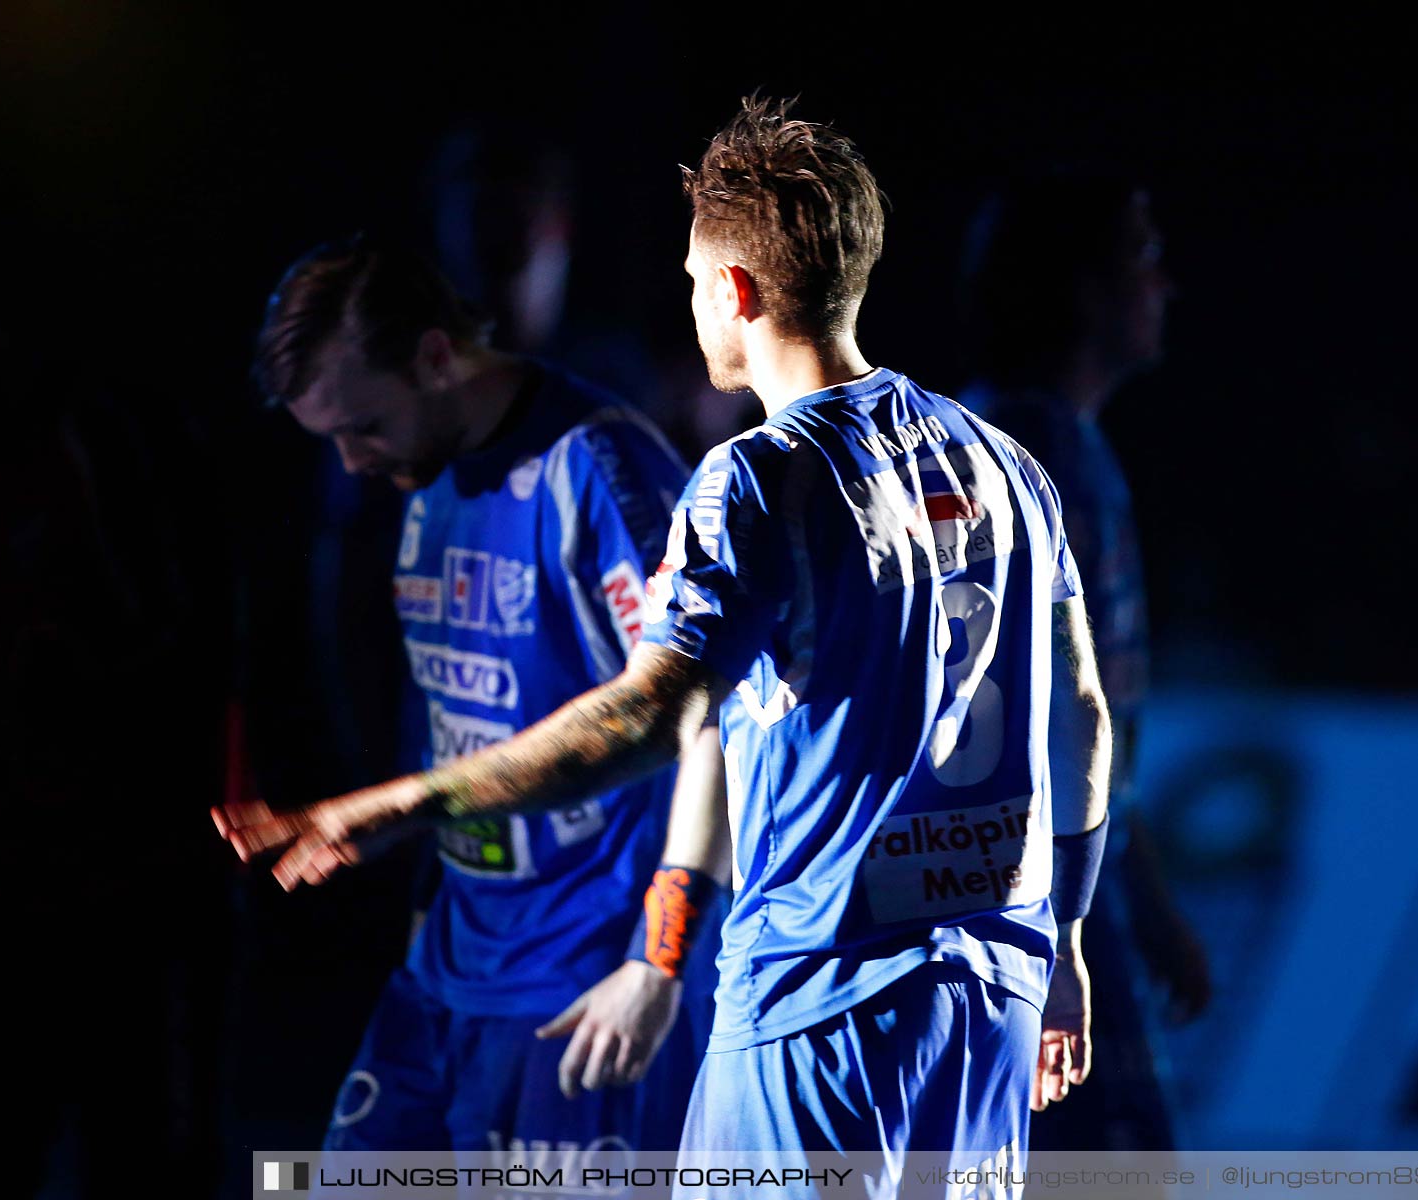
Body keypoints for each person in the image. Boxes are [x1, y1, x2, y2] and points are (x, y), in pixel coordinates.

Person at [219, 100, 1112, 1183]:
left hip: (818, 1004)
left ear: (735, 291)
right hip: (990, 1000)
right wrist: (1063, 939)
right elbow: (1083, 720)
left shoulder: (753, 481)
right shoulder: (1006, 466)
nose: (690, 301)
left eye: (694, 280)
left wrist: (398, 804)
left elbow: (651, 716)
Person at [239, 236, 723, 1157]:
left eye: (363, 427)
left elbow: (694, 718)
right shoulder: (425, 474)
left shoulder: (601, 469)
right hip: (448, 969)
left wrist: (658, 961)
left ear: (433, 356)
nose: (349, 462)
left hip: (578, 987)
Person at [962, 176, 1212, 1148]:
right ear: (1081, 289)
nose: (1166, 285)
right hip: (1047, 901)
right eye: (1142, 257)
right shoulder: (1049, 454)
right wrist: (1128, 911)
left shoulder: (1002, 438)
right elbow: (1063, 717)